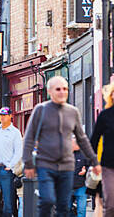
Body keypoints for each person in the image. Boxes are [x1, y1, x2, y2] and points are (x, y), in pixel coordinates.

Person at [23, 76, 100, 216]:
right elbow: (29, 138)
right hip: (45, 164)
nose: (62, 92)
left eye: (65, 89)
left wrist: (94, 161)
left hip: (66, 166)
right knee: (47, 200)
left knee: (63, 206)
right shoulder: (40, 110)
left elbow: (82, 139)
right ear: (50, 91)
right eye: (58, 89)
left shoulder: (72, 112)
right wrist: (28, 163)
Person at [91, 82, 114, 217]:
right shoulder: (105, 116)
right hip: (108, 166)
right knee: (111, 204)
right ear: (111, 95)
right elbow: (94, 140)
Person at [71, 135, 90, 217]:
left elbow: (90, 167)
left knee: (81, 210)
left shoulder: (85, 154)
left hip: (81, 186)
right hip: (67, 186)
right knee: (66, 208)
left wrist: (85, 171)